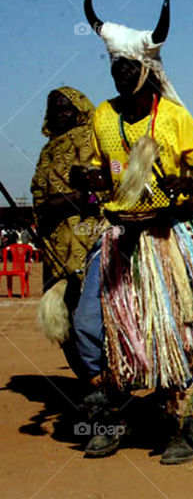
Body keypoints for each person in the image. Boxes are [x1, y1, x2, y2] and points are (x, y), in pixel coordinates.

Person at [71, 0, 193, 464]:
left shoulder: (174, 117)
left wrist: (186, 181)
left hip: (164, 239)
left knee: (173, 330)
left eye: (128, 66)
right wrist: (85, 179)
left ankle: (181, 422)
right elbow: (97, 176)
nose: (120, 73)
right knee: (87, 328)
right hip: (117, 239)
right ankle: (113, 411)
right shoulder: (103, 117)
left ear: (147, 70)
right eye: (114, 66)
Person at [31, 87, 102, 381]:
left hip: (86, 240)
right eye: (55, 110)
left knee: (89, 312)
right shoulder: (48, 149)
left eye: (66, 109)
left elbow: (100, 189)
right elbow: (39, 194)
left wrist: (61, 202)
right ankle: (89, 383)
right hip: (54, 244)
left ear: (79, 110)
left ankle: (106, 379)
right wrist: (39, 210)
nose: (60, 115)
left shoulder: (91, 139)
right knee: (62, 318)